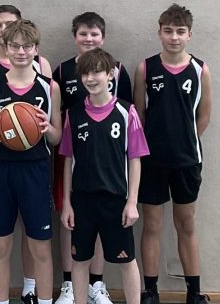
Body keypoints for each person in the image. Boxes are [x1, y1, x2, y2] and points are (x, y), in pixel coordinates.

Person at [0, 5, 53, 304]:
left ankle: (42, 299)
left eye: (27, 46)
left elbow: (56, 138)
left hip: (35, 170)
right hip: (1, 170)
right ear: (6, 48)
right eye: (15, 46)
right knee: (0, 245)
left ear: (36, 49)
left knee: (40, 246)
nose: (21, 52)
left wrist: (47, 127)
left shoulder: (48, 87)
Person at [133, 4, 214, 304]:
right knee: (152, 224)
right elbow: (139, 116)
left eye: (180, 31)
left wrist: (182, 142)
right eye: (168, 31)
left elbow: (203, 117)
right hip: (152, 161)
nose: (174, 37)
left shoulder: (200, 70)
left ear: (189, 35)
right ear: (159, 33)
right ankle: (150, 291)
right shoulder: (145, 68)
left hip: (187, 161)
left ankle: (194, 293)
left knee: (186, 224)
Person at [50, 11, 133, 304]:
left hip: (110, 166)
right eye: (83, 34)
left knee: (104, 226)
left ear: (103, 38)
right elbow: (56, 115)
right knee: (71, 220)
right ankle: (70, 284)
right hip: (74, 159)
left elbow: (128, 117)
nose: (88, 39)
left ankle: (96, 284)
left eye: (94, 34)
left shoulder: (118, 71)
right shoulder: (62, 71)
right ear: (75, 37)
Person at [60, 48, 148, 304]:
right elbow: (67, 160)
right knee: (79, 261)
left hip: (116, 201)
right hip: (83, 201)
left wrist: (132, 202)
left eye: (96, 72)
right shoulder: (73, 114)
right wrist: (67, 203)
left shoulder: (127, 112)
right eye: (85, 73)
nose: (90, 78)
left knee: (127, 261)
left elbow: (135, 159)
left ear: (110, 74)